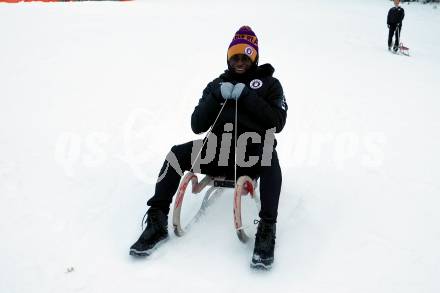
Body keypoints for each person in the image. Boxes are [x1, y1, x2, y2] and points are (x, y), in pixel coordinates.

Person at [129, 26, 288, 270]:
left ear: (254, 57)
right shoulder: (217, 84)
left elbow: (278, 122)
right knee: (176, 154)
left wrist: (247, 97)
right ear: (228, 57)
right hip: (218, 151)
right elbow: (196, 125)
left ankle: (267, 228)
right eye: (235, 56)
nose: (240, 61)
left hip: (252, 152)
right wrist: (216, 97)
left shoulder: (270, 84)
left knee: (269, 154)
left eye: (246, 56)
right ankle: (157, 220)